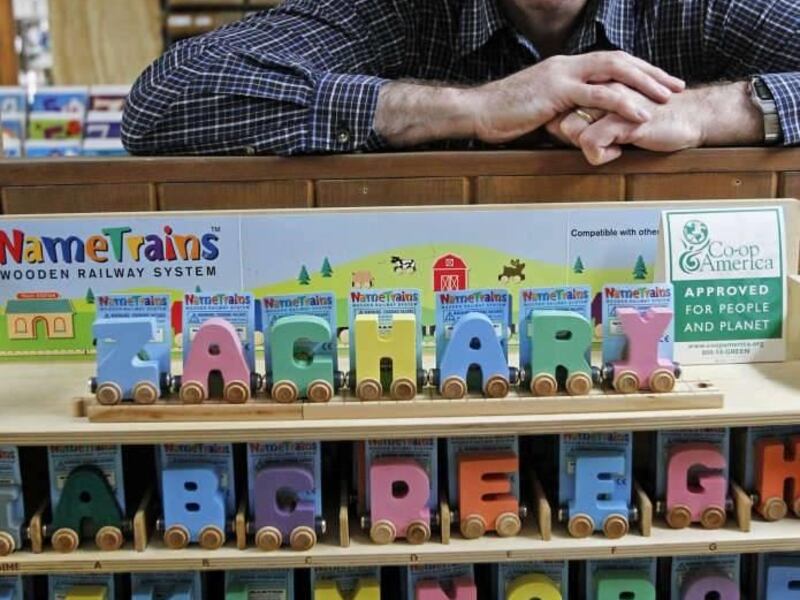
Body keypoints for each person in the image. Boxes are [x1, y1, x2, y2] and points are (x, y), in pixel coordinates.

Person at [122, 0, 799, 165]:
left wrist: (715, 111)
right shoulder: (401, 12)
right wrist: (473, 107)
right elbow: (165, 98)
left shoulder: (699, 8)